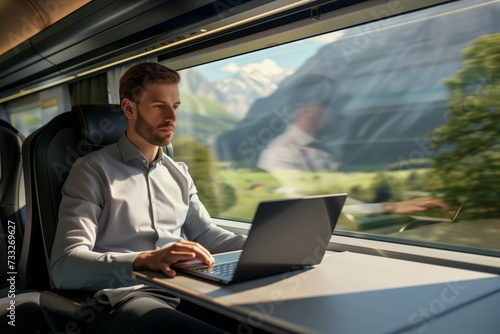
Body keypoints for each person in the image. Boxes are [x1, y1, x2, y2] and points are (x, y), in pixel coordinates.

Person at [50, 62, 247, 333]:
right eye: (159, 106)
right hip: (126, 296)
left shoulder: (178, 173)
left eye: (175, 106)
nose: (172, 118)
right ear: (129, 109)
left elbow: (206, 235)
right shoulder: (91, 171)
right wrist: (145, 259)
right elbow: (64, 266)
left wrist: (263, 245)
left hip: (184, 286)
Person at [258, 74, 451, 216]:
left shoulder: (323, 149)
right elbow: (314, 208)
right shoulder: (280, 155)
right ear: (304, 108)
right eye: (332, 103)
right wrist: (392, 207)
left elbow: (341, 194)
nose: (340, 110)